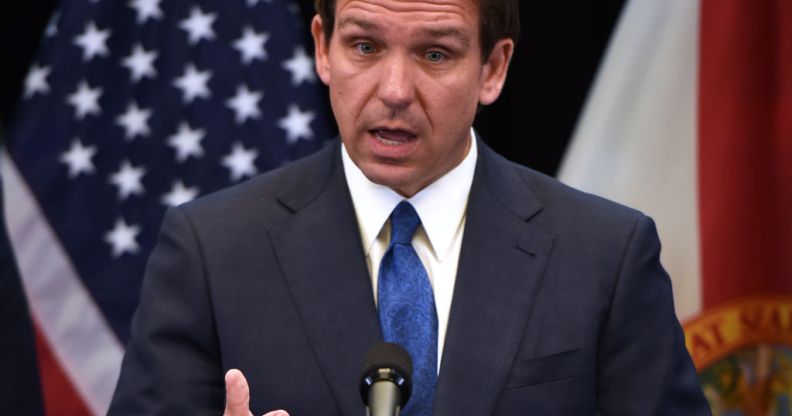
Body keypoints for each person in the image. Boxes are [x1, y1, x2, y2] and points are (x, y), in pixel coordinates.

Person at [109, 0, 711, 413]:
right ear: (323, 48)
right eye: (365, 46)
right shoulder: (211, 251)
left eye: (435, 55)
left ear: (493, 68)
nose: (394, 91)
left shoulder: (605, 256)